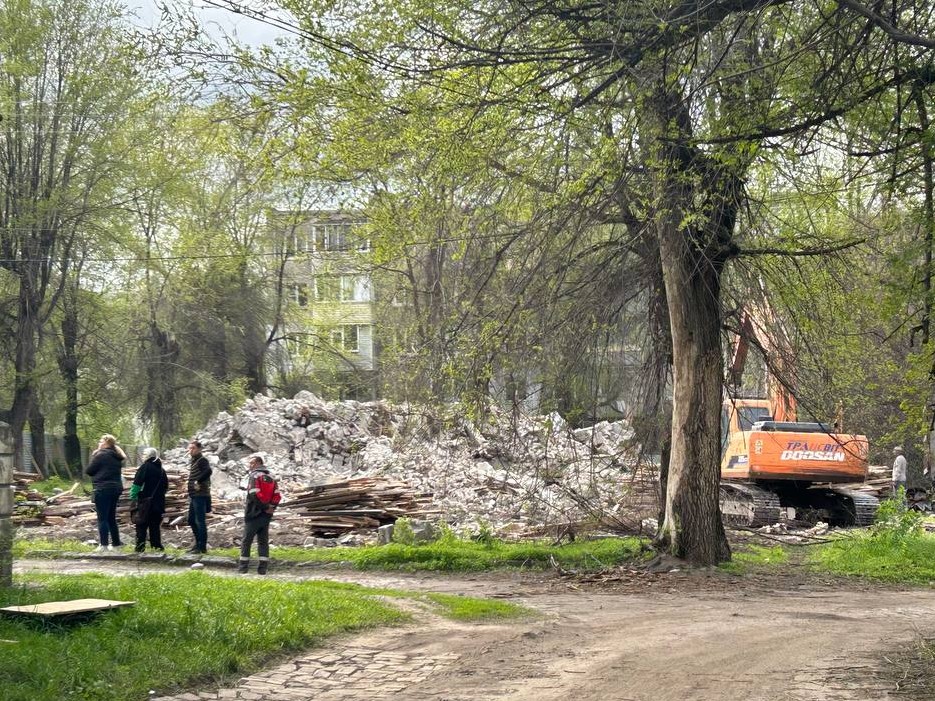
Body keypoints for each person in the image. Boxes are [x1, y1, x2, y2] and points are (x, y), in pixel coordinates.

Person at [238, 455, 280, 575]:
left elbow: (253, 494)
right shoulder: (271, 477)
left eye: (251, 463)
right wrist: (271, 507)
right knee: (263, 541)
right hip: (266, 515)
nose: (249, 466)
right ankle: (262, 569)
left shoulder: (254, 476)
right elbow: (277, 495)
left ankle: (243, 568)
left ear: (257, 463)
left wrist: (264, 507)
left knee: (246, 541)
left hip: (254, 513)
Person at [85, 434, 126, 551]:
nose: (99, 443)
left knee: (102, 518)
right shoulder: (116, 456)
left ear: (106, 443)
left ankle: (103, 545)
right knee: (111, 517)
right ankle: (116, 544)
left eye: (101, 441)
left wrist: (95, 454)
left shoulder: (101, 455)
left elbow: (89, 471)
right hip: (116, 488)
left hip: (102, 488)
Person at [130, 447, 169, 552]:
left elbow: (137, 484)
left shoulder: (145, 467)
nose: (143, 456)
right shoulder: (162, 471)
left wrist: (133, 496)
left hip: (145, 503)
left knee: (141, 525)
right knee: (155, 527)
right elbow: (166, 487)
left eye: (144, 454)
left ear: (147, 456)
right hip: (159, 503)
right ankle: (157, 548)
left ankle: (140, 548)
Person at [186, 439, 212, 554]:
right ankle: (197, 544)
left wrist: (198, 481)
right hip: (194, 496)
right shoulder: (195, 461)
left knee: (199, 521)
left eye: (193, 448)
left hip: (200, 495)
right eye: (190, 448)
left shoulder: (202, 460)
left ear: (199, 449)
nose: (191, 450)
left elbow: (208, 471)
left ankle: (202, 547)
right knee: (191, 520)